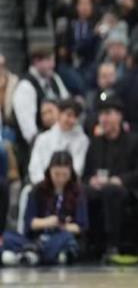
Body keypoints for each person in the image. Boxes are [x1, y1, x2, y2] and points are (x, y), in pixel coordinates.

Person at [83, 94, 138, 262]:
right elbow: (86, 173)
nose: (104, 119)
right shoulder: (95, 143)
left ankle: (112, 244)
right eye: (101, 114)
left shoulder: (135, 141)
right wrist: (91, 180)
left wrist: (120, 180)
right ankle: (85, 243)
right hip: (100, 188)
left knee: (112, 191)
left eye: (108, 113)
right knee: (83, 191)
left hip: (129, 191)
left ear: (119, 116)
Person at [1, 151, 88, 266]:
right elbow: (30, 222)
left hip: (60, 236)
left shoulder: (78, 192)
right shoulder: (37, 190)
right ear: (49, 171)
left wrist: (61, 225)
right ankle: (36, 253)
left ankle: (30, 254)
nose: (60, 179)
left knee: (67, 239)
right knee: (7, 236)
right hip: (36, 237)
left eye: (64, 175)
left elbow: (81, 226)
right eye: (57, 174)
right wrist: (48, 222)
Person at [13, 45, 69, 176]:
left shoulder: (55, 79)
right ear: (36, 62)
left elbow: (67, 104)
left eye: (53, 60)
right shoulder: (25, 86)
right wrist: (45, 144)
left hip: (59, 137)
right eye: (48, 60)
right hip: (35, 147)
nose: (52, 65)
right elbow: (29, 131)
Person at [28, 99, 88, 185]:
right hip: (42, 185)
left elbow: (78, 169)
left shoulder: (82, 140)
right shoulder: (43, 139)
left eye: (75, 117)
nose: (72, 120)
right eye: (69, 115)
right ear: (59, 114)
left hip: (70, 187)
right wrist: (45, 185)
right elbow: (35, 167)